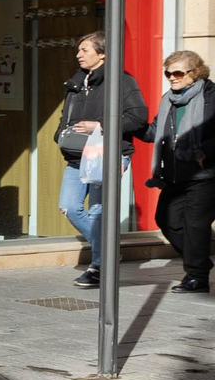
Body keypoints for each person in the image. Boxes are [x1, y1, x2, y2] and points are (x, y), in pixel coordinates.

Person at [55, 32, 147, 288]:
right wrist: (60, 133)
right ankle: (106, 251)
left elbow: (138, 118)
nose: (78, 54)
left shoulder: (121, 81)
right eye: (78, 50)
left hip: (107, 154)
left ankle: (98, 266)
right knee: (69, 207)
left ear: (103, 53)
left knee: (97, 212)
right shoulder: (77, 82)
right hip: (76, 155)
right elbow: (67, 114)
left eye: (84, 50)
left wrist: (101, 125)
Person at [136, 50, 215, 293]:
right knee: (167, 221)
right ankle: (199, 259)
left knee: (195, 225)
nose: (172, 77)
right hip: (173, 175)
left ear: (195, 73)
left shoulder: (211, 96)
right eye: (168, 73)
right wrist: (128, 125)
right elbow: (153, 133)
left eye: (178, 72)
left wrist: (204, 152)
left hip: (204, 175)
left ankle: (197, 276)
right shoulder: (168, 99)